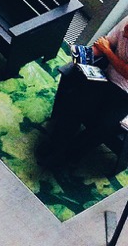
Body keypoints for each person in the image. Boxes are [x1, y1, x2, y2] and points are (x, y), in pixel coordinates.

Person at [40, 15, 128, 162]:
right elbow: (105, 43)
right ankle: (56, 144)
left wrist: (107, 52)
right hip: (106, 77)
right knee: (77, 101)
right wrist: (85, 53)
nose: (124, 30)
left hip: (125, 93)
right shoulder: (125, 22)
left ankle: (70, 155)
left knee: (104, 126)